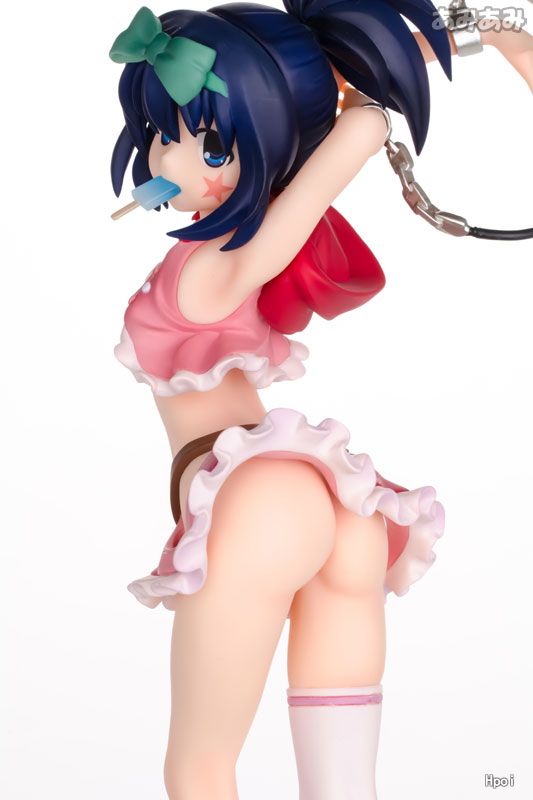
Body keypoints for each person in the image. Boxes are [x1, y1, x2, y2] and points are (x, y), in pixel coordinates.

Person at [108, 3, 532, 797]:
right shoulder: (225, 242)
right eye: (164, 134)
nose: (170, 158)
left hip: (252, 498)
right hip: (333, 506)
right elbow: (318, 86)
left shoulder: (215, 269)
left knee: (200, 766)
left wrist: (362, 124)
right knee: (341, 784)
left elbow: (351, 132)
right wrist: (483, 35)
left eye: (210, 144)